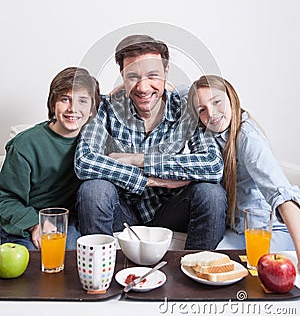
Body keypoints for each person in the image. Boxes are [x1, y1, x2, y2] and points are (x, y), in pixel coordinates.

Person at [75, 35, 227, 250]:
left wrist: (139, 160)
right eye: (133, 76)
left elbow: (212, 165)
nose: (143, 87)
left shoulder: (187, 107)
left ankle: (196, 272)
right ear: (122, 76)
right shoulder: (106, 107)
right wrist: (149, 180)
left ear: (166, 72)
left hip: (171, 209)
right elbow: (84, 161)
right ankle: (101, 276)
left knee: (211, 194)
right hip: (122, 209)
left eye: (153, 75)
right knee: (93, 190)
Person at [188, 74, 300, 270]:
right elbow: (177, 90)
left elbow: (281, 195)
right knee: (209, 264)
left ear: (231, 98)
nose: (211, 113)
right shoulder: (215, 133)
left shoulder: (248, 138)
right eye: (202, 110)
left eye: (217, 102)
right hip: (238, 228)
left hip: (269, 230)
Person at [0, 67, 100, 250]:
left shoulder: (94, 142)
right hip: (28, 219)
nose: (73, 109)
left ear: (92, 109)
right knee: (32, 261)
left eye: (82, 101)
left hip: (68, 220)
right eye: (65, 99)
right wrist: (35, 224)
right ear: (53, 104)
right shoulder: (26, 145)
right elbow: (5, 199)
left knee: (68, 257)